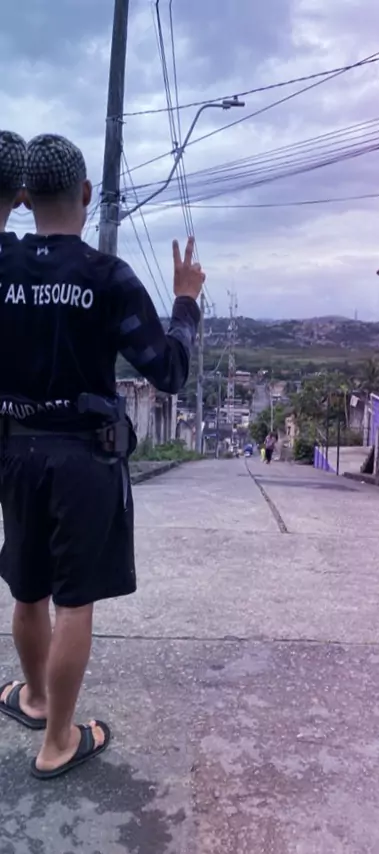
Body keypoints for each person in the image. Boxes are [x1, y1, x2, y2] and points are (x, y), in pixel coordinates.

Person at [0, 133, 204, 779]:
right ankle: (58, 740)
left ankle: (34, 700)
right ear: (86, 193)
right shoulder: (107, 277)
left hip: (16, 452)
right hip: (85, 461)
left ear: (24, 197)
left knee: (28, 591)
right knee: (74, 604)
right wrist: (186, 301)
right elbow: (168, 371)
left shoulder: (4, 264)